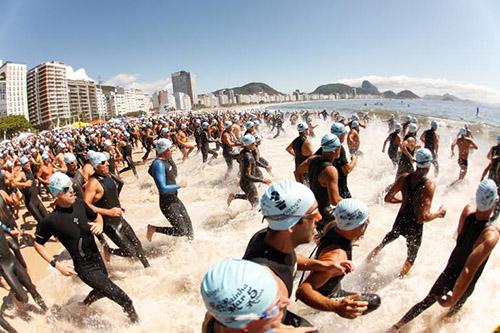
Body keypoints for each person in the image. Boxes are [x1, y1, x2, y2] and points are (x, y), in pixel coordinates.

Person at [389, 180, 499, 331]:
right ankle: (442, 323)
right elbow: (467, 272)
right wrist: (453, 299)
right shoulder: (491, 234)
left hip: (450, 269)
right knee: (453, 310)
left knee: (426, 301)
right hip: (465, 281)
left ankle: (396, 327)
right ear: (494, 202)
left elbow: (459, 237)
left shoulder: (467, 211)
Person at [243, 180, 348, 329]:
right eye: (314, 213)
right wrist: (335, 306)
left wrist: (322, 265)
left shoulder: (267, 237)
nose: (319, 219)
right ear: (291, 225)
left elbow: (288, 258)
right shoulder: (268, 285)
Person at [34, 173, 139, 323]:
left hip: (97, 259)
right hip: (85, 268)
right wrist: (57, 265)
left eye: (71, 186)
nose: (72, 190)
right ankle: (137, 326)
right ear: (56, 194)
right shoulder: (50, 221)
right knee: (125, 300)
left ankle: (84, 305)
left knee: (102, 289)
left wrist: (100, 224)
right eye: (66, 189)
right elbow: (37, 244)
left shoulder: (79, 203)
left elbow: (97, 216)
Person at [368, 148, 447, 276]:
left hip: (401, 218)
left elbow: (388, 198)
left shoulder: (404, 178)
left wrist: (403, 201)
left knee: (384, 242)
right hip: (415, 225)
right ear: (428, 166)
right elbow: (424, 217)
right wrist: (439, 213)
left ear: (417, 162)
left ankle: (365, 264)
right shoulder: (428, 185)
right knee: (411, 256)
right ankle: (400, 278)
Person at [296, 199, 380, 318]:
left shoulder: (333, 226)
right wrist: (336, 307)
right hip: (328, 298)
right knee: (374, 300)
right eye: (366, 222)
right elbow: (303, 291)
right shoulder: (337, 256)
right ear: (356, 226)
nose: (367, 225)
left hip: (330, 288)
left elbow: (318, 239)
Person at [200, 259, 316, 333]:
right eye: (274, 307)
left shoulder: (214, 320)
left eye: (278, 294)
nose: (287, 302)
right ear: (242, 328)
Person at [84, 152, 150, 268]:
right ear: (95, 166)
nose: (107, 164)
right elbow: (86, 205)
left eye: (107, 162)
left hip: (119, 219)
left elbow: (110, 194)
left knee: (138, 245)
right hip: (109, 224)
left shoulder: (107, 175)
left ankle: (148, 268)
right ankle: (109, 251)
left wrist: (117, 205)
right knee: (130, 252)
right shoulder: (93, 183)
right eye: (103, 163)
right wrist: (109, 212)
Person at [146, 139, 194, 241]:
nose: (172, 151)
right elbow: (163, 188)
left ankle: (191, 250)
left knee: (189, 228)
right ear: (165, 150)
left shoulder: (165, 161)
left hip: (174, 199)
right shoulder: (158, 164)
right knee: (182, 231)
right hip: (167, 203)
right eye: (170, 149)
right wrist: (179, 185)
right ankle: (153, 228)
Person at [295, 134, 342, 233]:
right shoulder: (330, 170)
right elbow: (335, 200)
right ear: (334, 151)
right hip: (325, 213)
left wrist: (304, 191)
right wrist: (352, 203)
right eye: (339, 147)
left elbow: (297, 172)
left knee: (320, 241)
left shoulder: (312, 159)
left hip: (313, 209)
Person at [227, 134, 272, 207]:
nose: (255, 143)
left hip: (246, 182)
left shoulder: (243, 152)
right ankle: (247, 217)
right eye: (253, 143)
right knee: (255, 204)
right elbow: (246, 175)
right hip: (247, 183)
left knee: (252, 197)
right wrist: (262, 180)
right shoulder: (247, 156)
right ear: (248, 145)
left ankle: (234, 196)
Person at [16, 156, 48, 224]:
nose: (27, 164)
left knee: (46, 217)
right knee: (41, 221)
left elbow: (33, 187)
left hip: (37, 199)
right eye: (25, 163)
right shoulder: (22, 174)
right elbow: (13, 182)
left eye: (28, 162)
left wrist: (35, 181)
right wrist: (24, 183)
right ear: (22, 165)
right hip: (30, 203)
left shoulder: (29, 170)